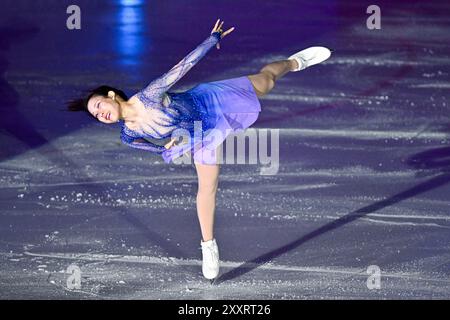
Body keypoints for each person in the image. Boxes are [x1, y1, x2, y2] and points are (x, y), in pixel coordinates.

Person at [67, 19, 331, 280]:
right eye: (96, 115)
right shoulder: (128, 135)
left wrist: (212, 40)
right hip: (197, 135)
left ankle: (295, 62)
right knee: (207, 187)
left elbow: (182, 68)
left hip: (210, 100)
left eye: (100, 106)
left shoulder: (149, 95)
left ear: (112, 96)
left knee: (266, 82)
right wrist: (168, 147)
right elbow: (155, 149)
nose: (101, 114)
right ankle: (209, 245)